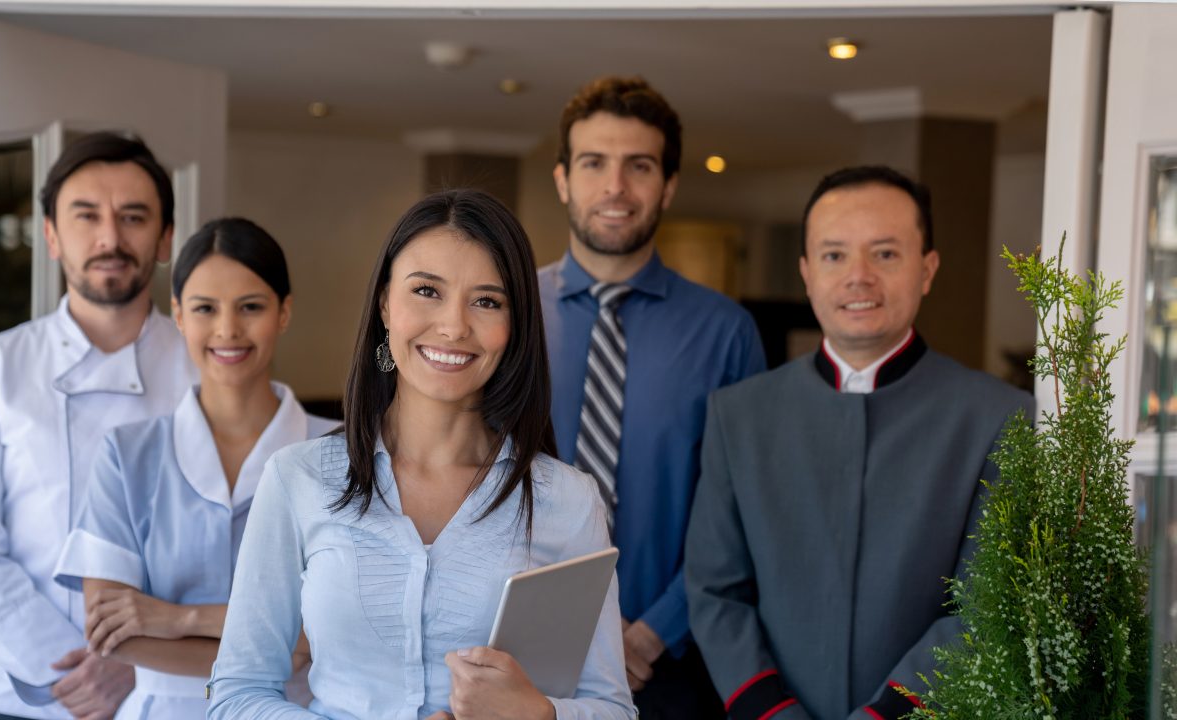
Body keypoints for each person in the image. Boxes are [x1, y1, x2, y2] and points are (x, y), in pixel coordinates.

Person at [208, 188, 634, 720]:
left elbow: (613, 708)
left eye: (487, 300)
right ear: (386, 303)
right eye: (427, 291)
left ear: (515, 325)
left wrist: (539, 715)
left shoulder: (568, 500)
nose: (454, 326)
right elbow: (237, 694)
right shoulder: (298, 478)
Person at [685, 165, 1035, 720]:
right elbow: (714, 591)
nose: (859, 277)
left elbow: (986, 608)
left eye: (886, 254)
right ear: (806, 272)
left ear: (928, 269)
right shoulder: (740, 415)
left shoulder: (1001, 418)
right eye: (834, 255)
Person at [0, 132, 195, 720]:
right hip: (26, 693)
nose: (110, 238)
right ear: (50, 235)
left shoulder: (207, 370)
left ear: (166, 236)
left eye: (133, 217)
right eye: (86, 216)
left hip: (167, 695)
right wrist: (73, 664)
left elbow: (234, 551)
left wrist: (138, 660)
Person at [539, 75, 765, 717]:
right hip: (520, 660)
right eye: (594, 163)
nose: (615, 187)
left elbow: (741, 512)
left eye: (638, 166)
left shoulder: (727, 333)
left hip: (671, 666)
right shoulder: (506, 314)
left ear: (667, 185)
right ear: (563, 179)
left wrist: (651, 632)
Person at [50, 218, 337, 719]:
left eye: (251, 306)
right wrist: (280, 642)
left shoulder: (340, 452)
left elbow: (331, 631)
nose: (227, 330)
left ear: (284, 313)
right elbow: (112, 636)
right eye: (205, 308)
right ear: (179, 315)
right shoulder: (127, 455)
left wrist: (173, 618)